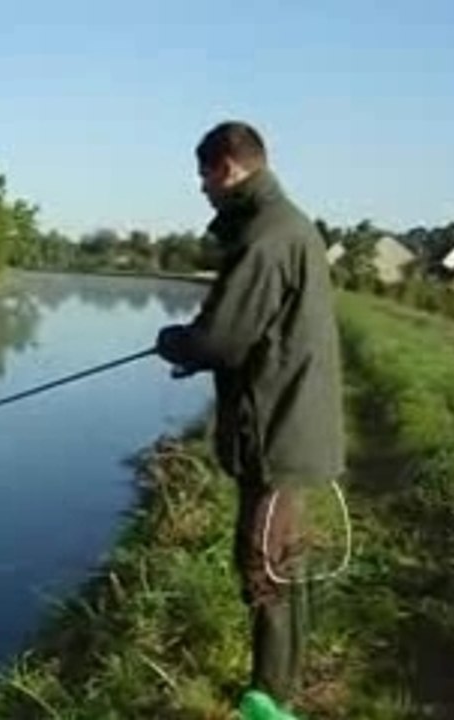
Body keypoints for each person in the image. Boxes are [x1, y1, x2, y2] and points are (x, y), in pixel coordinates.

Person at [155, 121, 346, 719]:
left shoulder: (266, 236)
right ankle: (278, 688)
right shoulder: (286, 225)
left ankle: (271, 704)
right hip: (289, 420)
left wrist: (177, 342)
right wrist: (205, 350)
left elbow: (221, 339)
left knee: (262, 565)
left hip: (277, 431)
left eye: (205, 175)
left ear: (229, 167)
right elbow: (253, 336)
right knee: (281, 557)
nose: (203, 188)